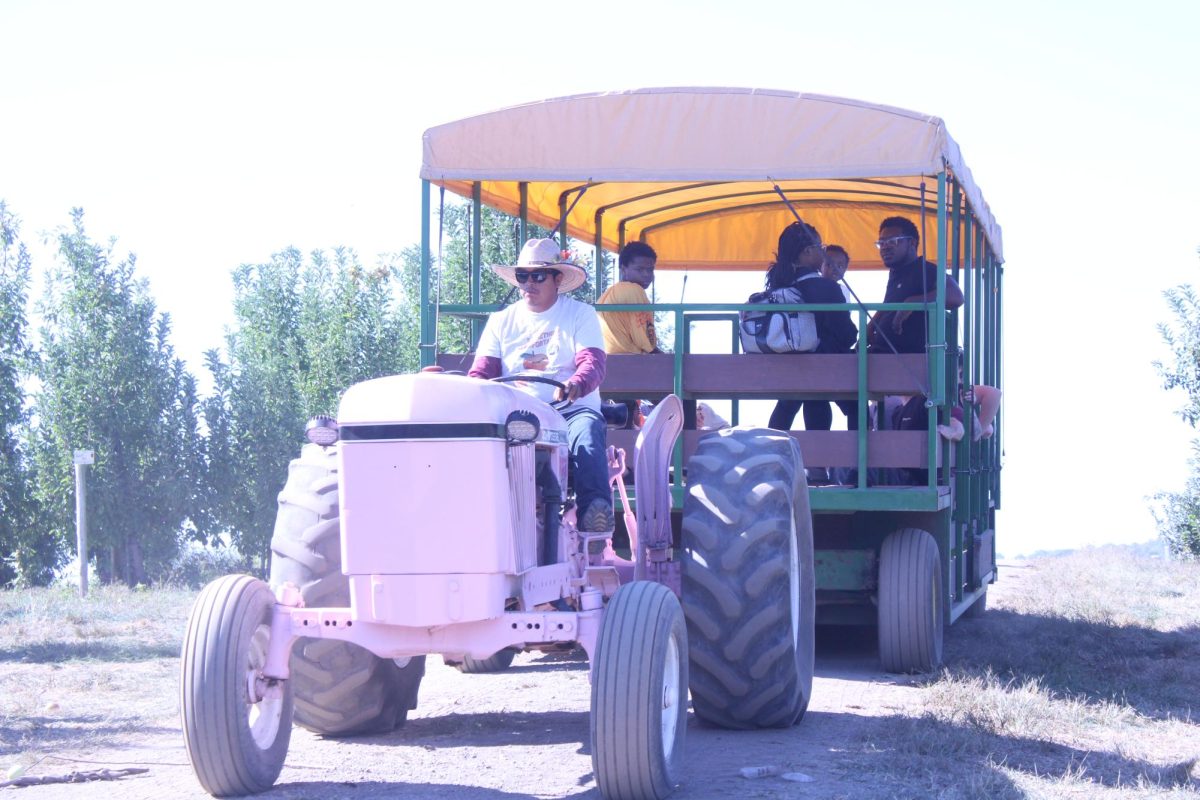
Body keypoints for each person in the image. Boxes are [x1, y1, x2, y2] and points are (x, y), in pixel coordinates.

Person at [469, 238, 614, 532]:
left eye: (537, 276)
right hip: (516, 414)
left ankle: (595, 515)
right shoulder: (500, 321)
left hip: (570, 411)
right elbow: (482, 375)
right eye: (523, 276)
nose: (528, 284)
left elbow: (593, 364)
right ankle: (475, 515)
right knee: (476, 442)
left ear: (557, 279)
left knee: (586, 435)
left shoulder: (580, 314)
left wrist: (575, 384)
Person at [763, 221, 858, 482]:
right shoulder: (827, 288)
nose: (824, 253)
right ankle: (854, 468)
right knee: (854, 404)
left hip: (785, 370)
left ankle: (769, 460)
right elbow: (847, 334)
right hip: (823, 368)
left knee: (795, 396)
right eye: (820, 247)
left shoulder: (776, 285)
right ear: (806, 253)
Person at [867, 217, 965, 354]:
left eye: (892, 241)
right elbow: (889, 303)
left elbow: (956, 296)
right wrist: (871, 325)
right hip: (882, 355)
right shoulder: (896, 273)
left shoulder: (924, 270)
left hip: (906, 361)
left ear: (912, 243)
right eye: (881, 243)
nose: (885, 247)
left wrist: (913, 302)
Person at [597, 241, 661, 354]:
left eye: (650, 269)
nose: (647, 274)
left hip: (604, 360)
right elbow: (646, 343)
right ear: (623, 269)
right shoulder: (634, 290)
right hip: (626, 362)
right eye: (640, 269)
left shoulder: (611, 292)